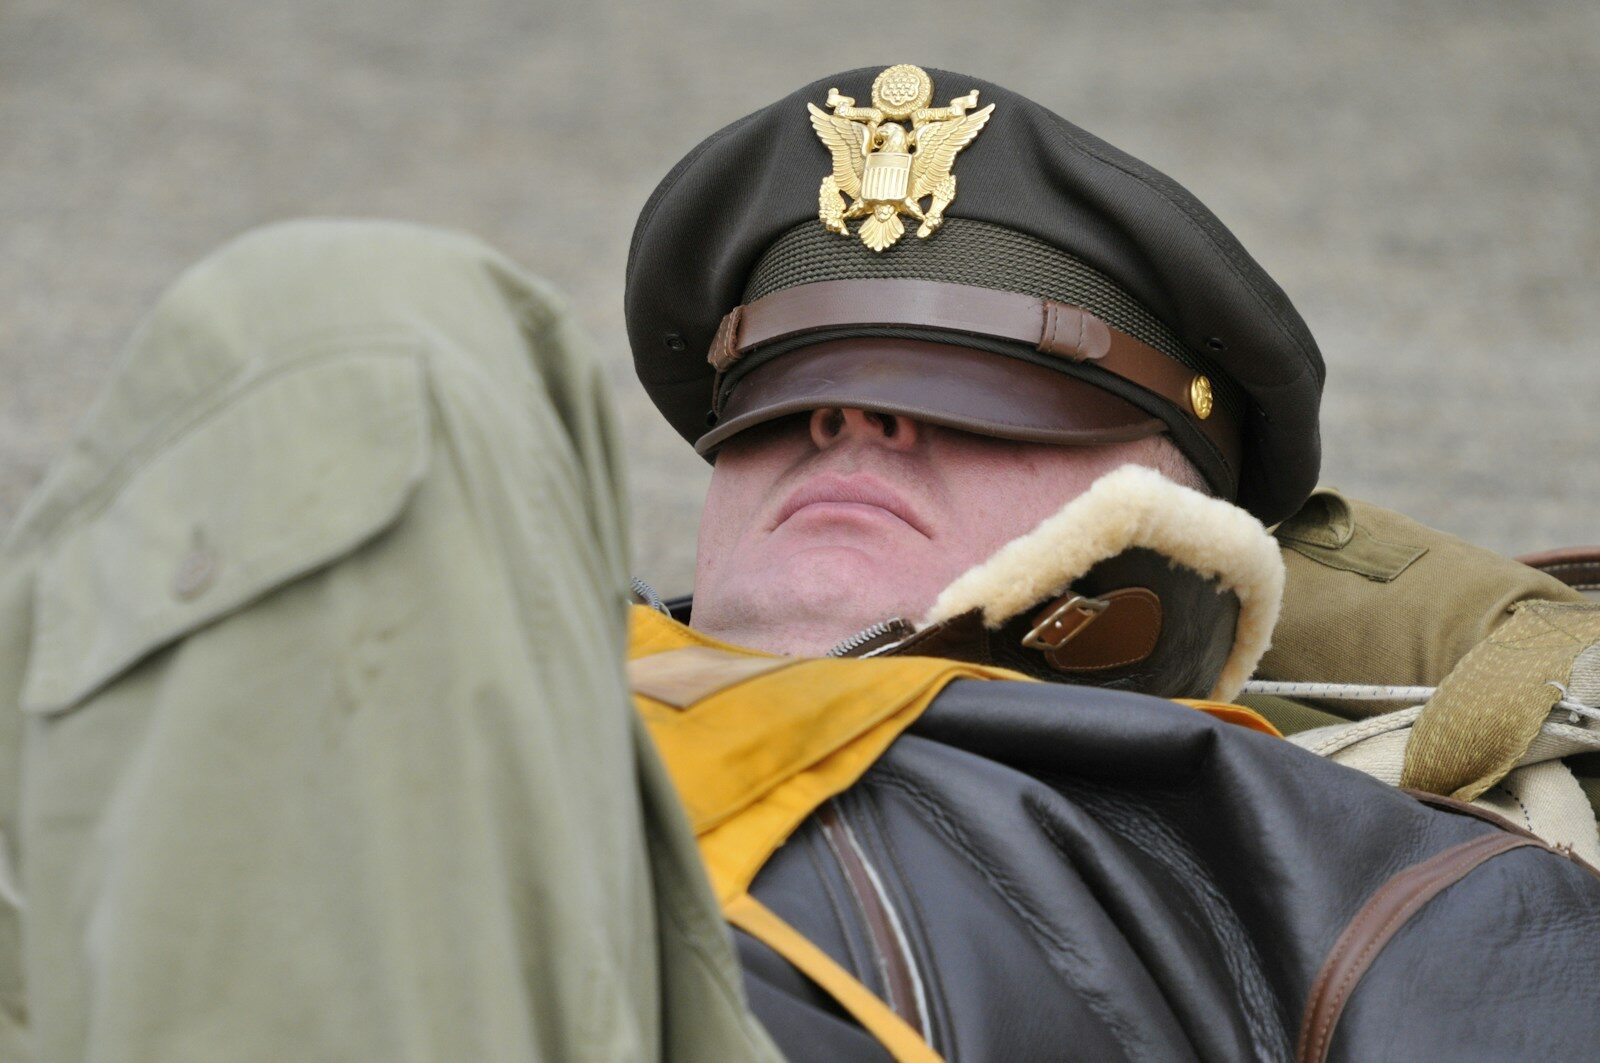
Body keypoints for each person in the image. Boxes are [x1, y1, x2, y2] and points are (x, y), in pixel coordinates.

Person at [1, 62, 1597, 1062]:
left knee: (348, 325)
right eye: (795, 408)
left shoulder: (1285, 833)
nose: (851, 428)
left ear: (1156, 509)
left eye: (962, 406)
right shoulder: (473, 666)